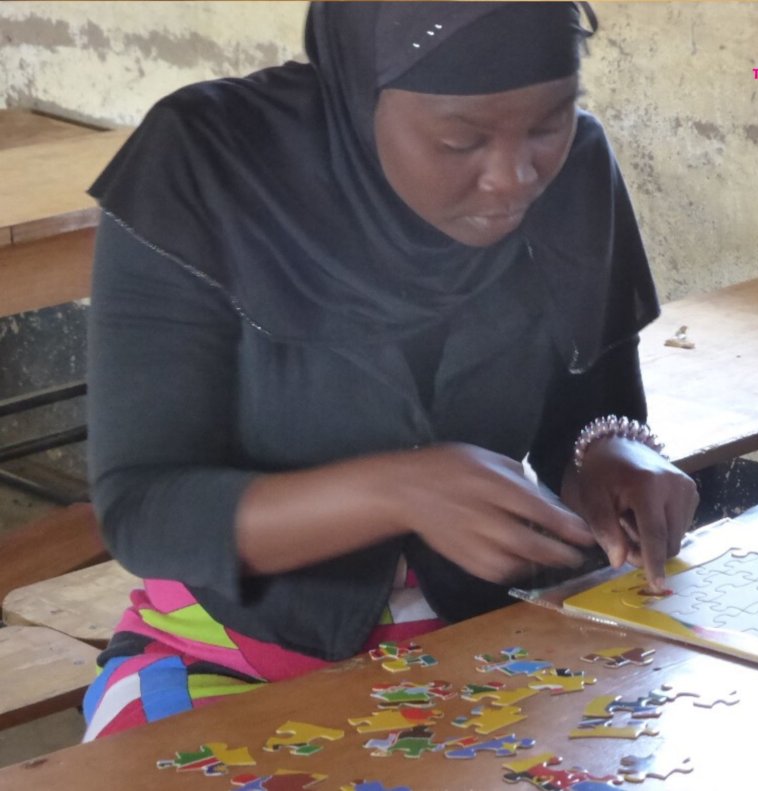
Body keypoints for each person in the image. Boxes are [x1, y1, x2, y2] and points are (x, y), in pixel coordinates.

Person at [81, 1, 698, 740]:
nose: (515, 175)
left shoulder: (573, 174)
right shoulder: (204, 172)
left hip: (500, 650)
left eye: (549, 121)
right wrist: (398, 489)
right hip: (231, 657)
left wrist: (613, 454)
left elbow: (588, 413)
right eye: (460, 140)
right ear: (360, 92)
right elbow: (142, 510)